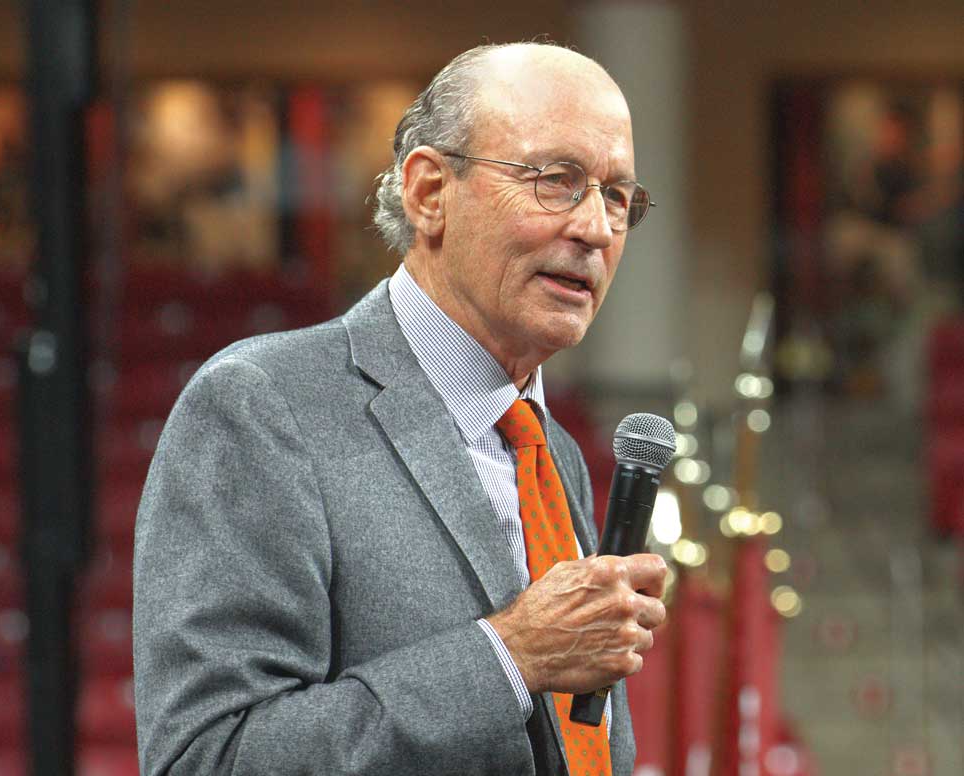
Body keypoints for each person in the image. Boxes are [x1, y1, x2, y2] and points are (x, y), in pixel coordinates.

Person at [133, 41, 667, 776]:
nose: (597, 229)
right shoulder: (262, 407)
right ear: (428, 193)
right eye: (556, 180)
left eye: (616, 196)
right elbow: (210, 758)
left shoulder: (554, 452)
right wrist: (511, 656)